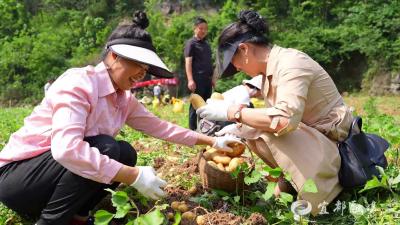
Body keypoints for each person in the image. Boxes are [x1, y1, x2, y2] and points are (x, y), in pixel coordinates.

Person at [0, 11, 241, 225]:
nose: (141, 74)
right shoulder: (79, 83)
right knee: (105, 147)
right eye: (138, 65)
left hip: (50, 181)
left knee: (125, 152)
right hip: (18, 180)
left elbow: (162, 128)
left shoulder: (123, 98)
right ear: (114, 57)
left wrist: (212, 142)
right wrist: (133, 176)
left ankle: (77, 217)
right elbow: (66, 150)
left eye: (146, 70)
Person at [196, 10, 354, 215]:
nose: (237, 68)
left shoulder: (291, 63)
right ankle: (289, 183)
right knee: (251, 127)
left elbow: (283, 120)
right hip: (315, 141)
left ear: (244, 49)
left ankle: (323, 192)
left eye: (234, 63)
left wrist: (234, 113)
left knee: (261, 129)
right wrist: (239, 127)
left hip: (336, 147)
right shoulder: (269, 71)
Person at [184, 17, 214, 130]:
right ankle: (192, 130)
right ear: (195, 28)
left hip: (207, 79)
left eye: (205, 29)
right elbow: (188, 63)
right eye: (201, 28)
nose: (203, 31)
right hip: (197, 79)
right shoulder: (191, 43)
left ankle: (204, 129)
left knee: (206, 106)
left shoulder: (206, 45)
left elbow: (210, 62)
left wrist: (213, 79)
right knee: (195, 105)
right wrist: (190, 79)